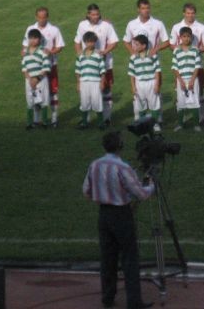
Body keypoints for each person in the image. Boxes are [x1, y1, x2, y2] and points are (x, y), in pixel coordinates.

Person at [82, 130, 154, 309]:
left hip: (104, 215)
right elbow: (140, 194)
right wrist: (152, 185)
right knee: (129, 257)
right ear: (120, 146)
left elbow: (86, 191)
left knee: (107, 257)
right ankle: (134, 301)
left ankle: (107, 297)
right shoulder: (123, 167)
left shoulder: (95, 165)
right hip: (121, 214)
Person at [75, 4, 119, 125]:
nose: (95, 16)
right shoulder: (82, 25)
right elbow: (77, 41)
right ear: (88, 14)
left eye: (97, 14)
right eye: (93, 14)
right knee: (86, 93)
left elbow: (114, 42)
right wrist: (80, 55)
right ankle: (86, 119)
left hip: (106, 64)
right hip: (87, 66)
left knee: (106, 91)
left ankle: (107, 118)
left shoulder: (106, 25)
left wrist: (105, 51)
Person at [169, 3, 204, 122]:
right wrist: (182, 51)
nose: (190, 15)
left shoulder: (201, 27)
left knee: (200, 91)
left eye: (192, 13)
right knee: (180, 91)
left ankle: (201, 117)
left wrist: (196, 50)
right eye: (188, 13)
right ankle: (181, 120)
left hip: (197, 65)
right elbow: (172, 44)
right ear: (184, 13)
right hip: (182, 66)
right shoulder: (176, 27)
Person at [23, 7, 65, 127]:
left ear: (47, 16)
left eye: (44, 17)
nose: (42, 19)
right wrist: (24, 52)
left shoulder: (54, 30)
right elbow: (25, 46)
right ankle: (36, 120)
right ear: (36, 17)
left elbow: (60, 46)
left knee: (53, 92)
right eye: (39, 17)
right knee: (34, 92)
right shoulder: (30, 29)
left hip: (51, 66)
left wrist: (50, 52)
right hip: (33, 68)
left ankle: (54, 119)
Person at [171, 27, 202, 132]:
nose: (186, 39)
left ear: (191, 37)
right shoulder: (176, 50)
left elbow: (197, 66)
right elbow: (175, 67)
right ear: (180, 37)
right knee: (181, 101)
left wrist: (193, 80)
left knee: (195, 101)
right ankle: (180, 124)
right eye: (184, 36)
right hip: (181, 80)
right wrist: (180, 81)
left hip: (193, 79)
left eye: (188, 36)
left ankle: (196, 125)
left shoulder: (195, 50)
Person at [128, 35, 162, 129]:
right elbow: (132, 74)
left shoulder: (152, 56)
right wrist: (133, 87)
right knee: (140, 105)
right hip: (139, 84)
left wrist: (157, 84)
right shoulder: (133, 58)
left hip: (151, 82)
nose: (134, 46)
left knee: (154, 104)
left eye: (136, 44)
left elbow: (157, 71)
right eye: (134, 44)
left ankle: (155, 124)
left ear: (143, 46)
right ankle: (142, 125)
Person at [76, 31, 107, 130]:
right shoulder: (80, 55)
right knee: (84, 102)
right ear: (84, 42)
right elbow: (78, 70)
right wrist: (78, 83)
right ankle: (84, 122)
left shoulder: (98, 55)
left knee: (97, 101)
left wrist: (102, 82)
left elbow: (102, 70)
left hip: (95, 82)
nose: (91, 44)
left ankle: (100, 123)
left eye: (93, 42)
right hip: (84, 82)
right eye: (88, 42)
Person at [21, 28, 51, 129]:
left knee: (43, 100)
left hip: (41, 79)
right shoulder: (25, 52)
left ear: (39, 39)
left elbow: (46, 67)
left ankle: (44, 122)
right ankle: (30, 123)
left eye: (35, 38)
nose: (33, 41)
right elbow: (24, 67)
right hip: (29, 80)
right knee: (30, 100)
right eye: (31, 38)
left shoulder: (43, 51)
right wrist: (29, 79)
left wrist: (37, 79)